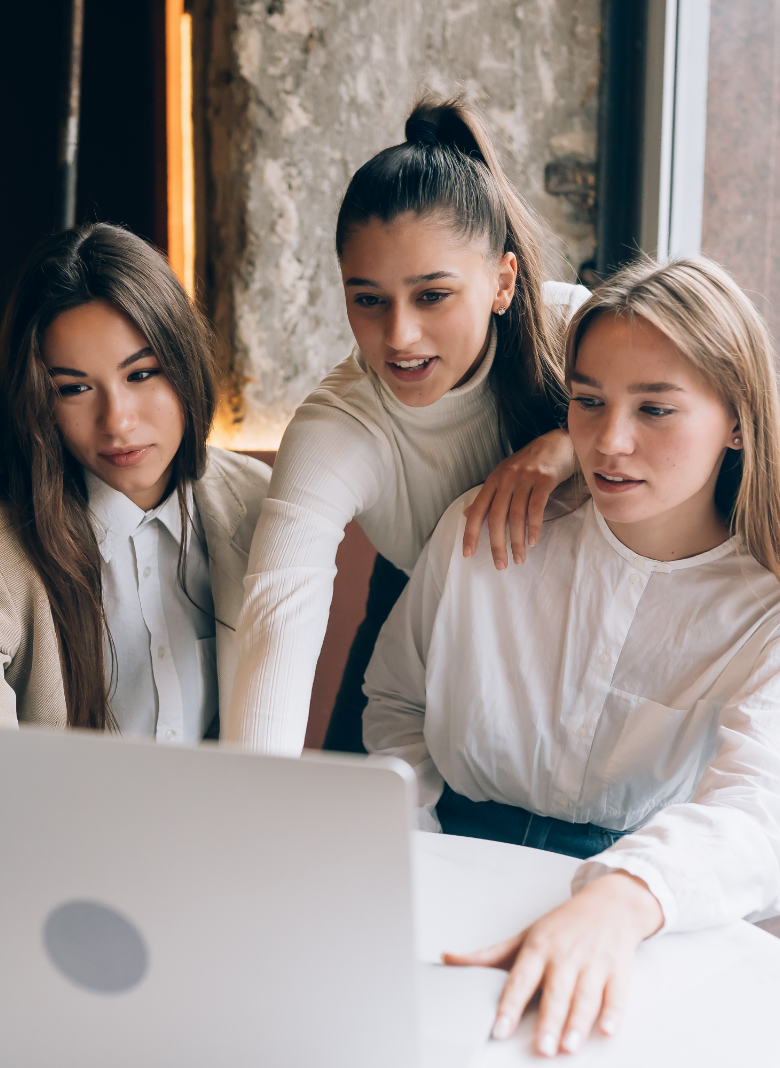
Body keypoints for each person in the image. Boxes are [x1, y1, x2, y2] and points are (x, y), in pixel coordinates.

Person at [363, 256, 780, 1057]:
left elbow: (758, 812)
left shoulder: (764, 610)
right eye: (588, 402)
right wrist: (406, 851)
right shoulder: (481, 531)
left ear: (737, 419)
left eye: (655, 409)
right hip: (442, 868)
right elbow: (398, 703)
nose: (609, 442)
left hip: (641, 916)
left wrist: (625, 897)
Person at [224, 92, 590, 754]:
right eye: (368, 300)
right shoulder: (337, 427)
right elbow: (278, 622)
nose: (399, 336)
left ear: (503, 282)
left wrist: (571, 442)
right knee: (350, 820)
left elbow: (719, 418)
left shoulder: (579, 333)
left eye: (432, 296)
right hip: (409, 608)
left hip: (574, 625)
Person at [0, 223, 271, 738]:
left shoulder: (258, 503)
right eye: (74, 388)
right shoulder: (9, 545)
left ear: (184, 362)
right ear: (39, 400)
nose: (118, 421)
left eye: (141, 374)